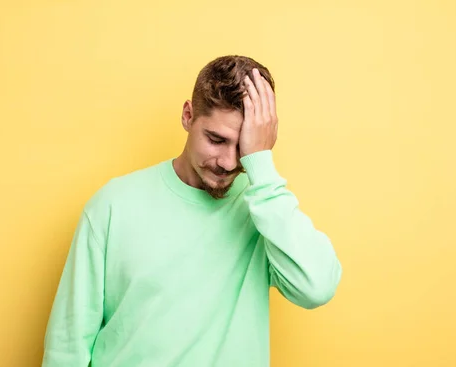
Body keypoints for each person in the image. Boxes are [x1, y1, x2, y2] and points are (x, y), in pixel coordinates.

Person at [41, 55, 342, 367]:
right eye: (216, 140)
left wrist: (262, 166)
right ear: (188, 116)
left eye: (243, 147)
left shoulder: (263, 211)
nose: (228, 162)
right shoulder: (112, 205)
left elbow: (317, 287)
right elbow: (67, 345)